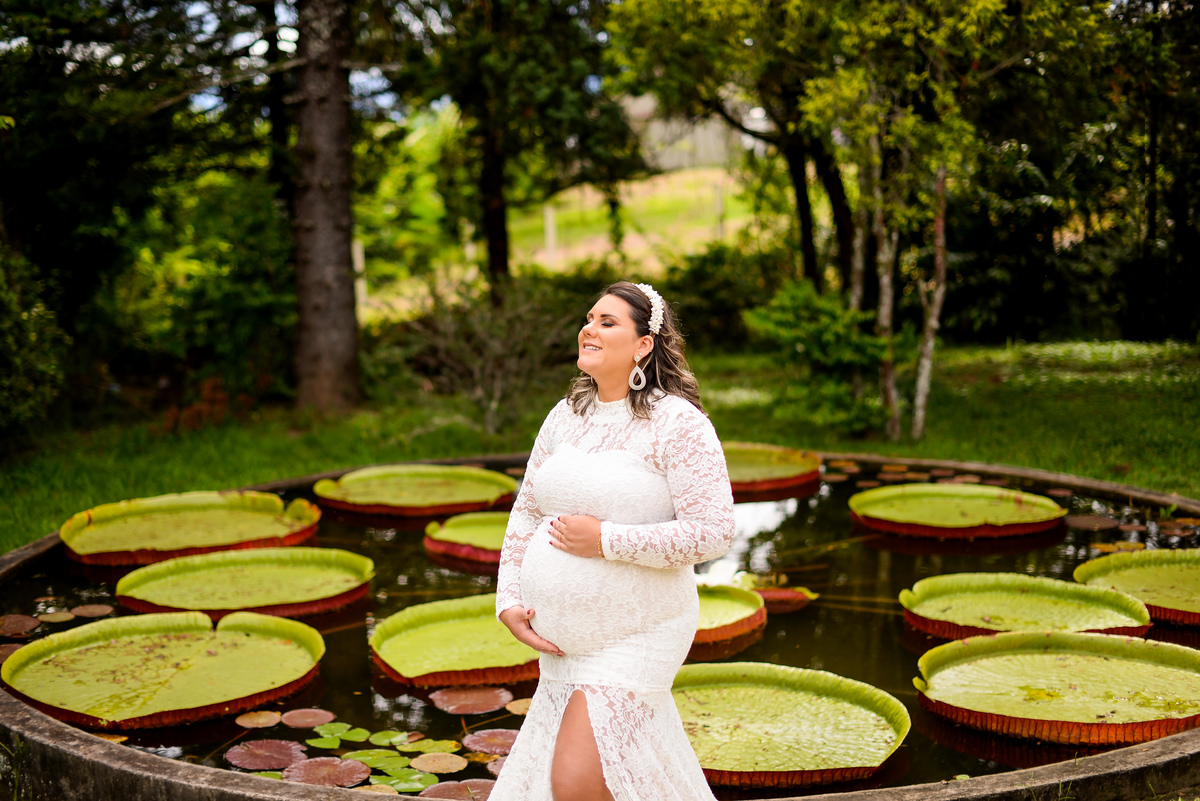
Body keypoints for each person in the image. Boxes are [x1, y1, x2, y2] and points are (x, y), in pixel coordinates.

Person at [490, 281, 735, 801]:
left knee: (575, 782)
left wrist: (607, 540)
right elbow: (527, 510)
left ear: (643, 344)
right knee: (598, 781)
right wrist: (508, 597)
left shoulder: (678, 423)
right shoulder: (564, 417)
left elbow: (714, 532)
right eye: (589, 318)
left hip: (639, 633)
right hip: (561, 644)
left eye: (608, 321)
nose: (589, 328)